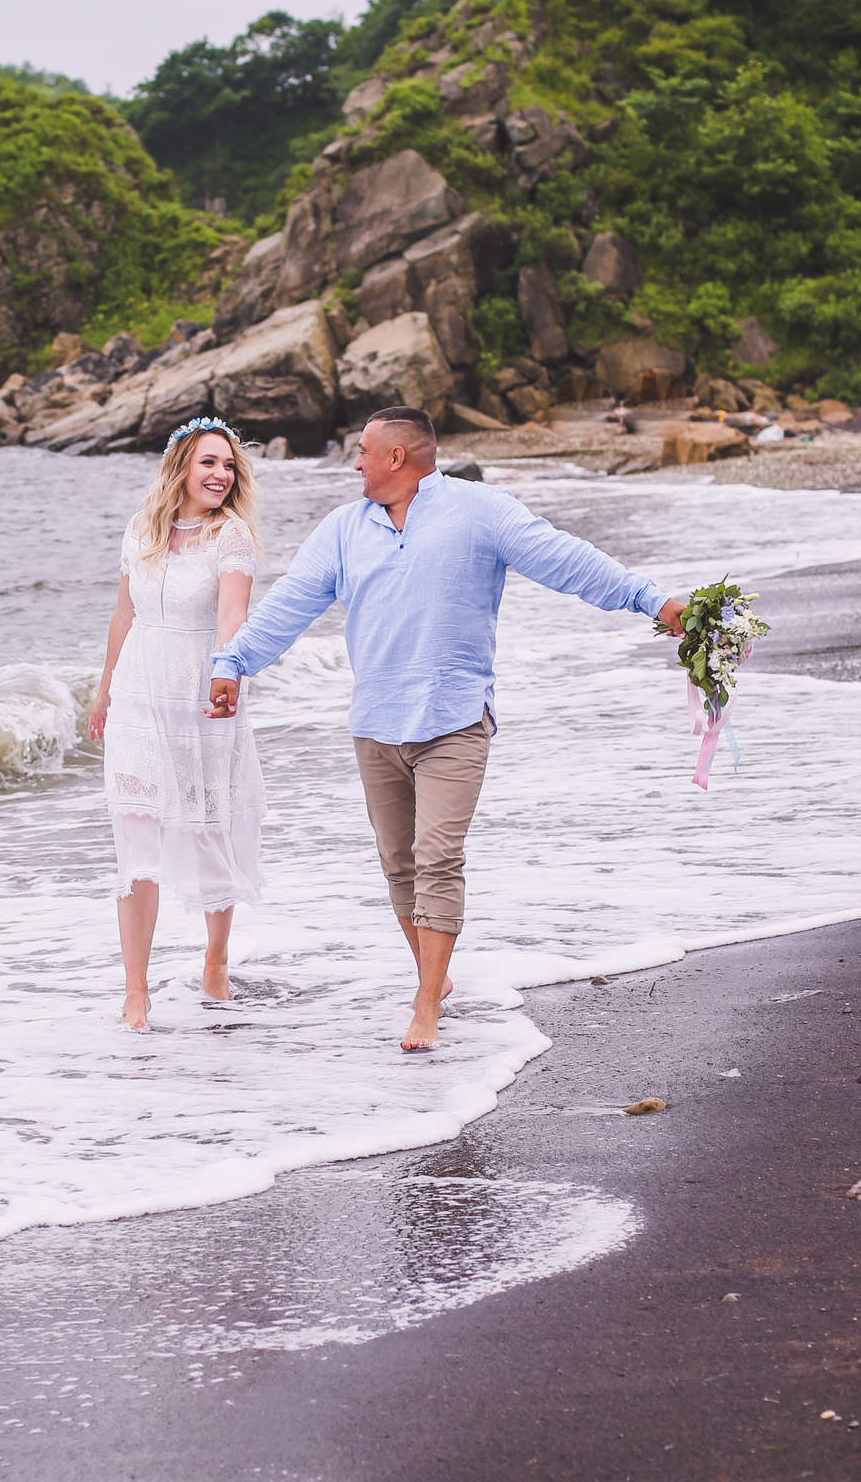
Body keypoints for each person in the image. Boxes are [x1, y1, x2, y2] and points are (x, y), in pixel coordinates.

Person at [207, 406, 685, 1052]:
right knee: (398, 865)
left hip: (454, 717)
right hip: (375, 722)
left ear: (397, 457)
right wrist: (233, 662)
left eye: (363, 450)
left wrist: (653, 599)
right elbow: (289, 606)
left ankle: (426, 1000)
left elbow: (568, 561)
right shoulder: (344, 529)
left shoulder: (481, 510)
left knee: (438, 859)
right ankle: (436, 974)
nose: (354, 462)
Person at [87, 416, 267, 1032]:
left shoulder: (232, 536)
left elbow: (233, 617)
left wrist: (229, 676)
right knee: (134, 840)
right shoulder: (141, 529)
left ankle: (215, 959)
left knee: (208, 825)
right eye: (209, 463)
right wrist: (103, 691)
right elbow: (122, 614)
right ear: (181, 468)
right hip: (138, 692)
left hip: (199, 692)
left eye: (228, 465)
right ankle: (135, 992)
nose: (221, 475)